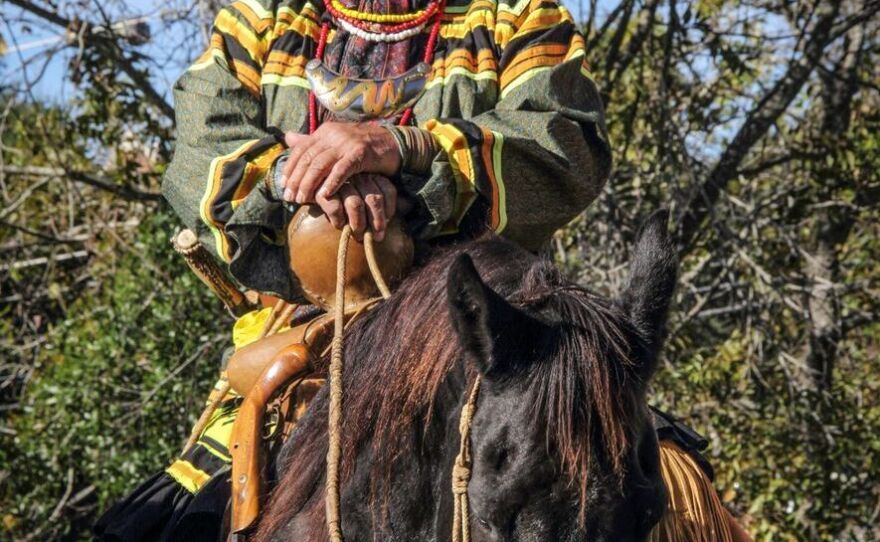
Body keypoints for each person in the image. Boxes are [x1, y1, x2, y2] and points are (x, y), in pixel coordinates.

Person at [95, 0, 748, 540]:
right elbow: (202, 154)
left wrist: (405, 153)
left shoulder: (517, 15)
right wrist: (327, 186)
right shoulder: (264, 15)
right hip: (303, 337)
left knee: (642, 491)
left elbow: (563, 139)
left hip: (490, 336)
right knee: (174, 521)